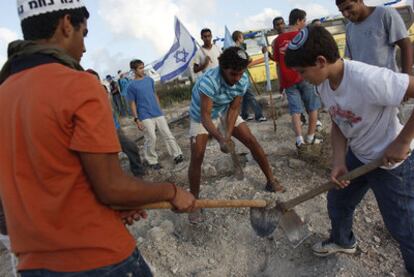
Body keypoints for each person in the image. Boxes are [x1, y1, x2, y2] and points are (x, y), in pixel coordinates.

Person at [0, 1, 195, 275]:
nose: (84, 48)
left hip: (34, 264)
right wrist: (172, 192)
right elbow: (111, 187)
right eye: (84, 34)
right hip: (98, 258)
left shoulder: (5, 91)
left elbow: (51, 179)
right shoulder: (78, 85)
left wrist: (116, 206)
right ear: (67, 24)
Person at [285, 25, 414, 275]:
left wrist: (403, 141)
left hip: (390, 164)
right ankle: (343, 241)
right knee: (338, 200)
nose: (301, 78)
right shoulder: (323, 84)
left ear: (321, 61)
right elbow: (338, 122)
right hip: (359, 156)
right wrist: (338, 161)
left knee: (403, 225)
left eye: (302, 71)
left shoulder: (367, 79)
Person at [187, 46, 285, 223]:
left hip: (224, 109)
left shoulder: (242, 79)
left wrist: (228, 135)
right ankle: (194, 202)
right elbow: (206, 116)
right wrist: (220, 138)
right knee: (197, 156)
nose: (237, 78)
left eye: (240, 73)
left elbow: (234, 108)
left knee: (251, 141)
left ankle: (271, 180)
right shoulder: (208, 82)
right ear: (223, 67)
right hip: (201, 114)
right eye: (233, 74)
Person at [273, 8, 323, 148]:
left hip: (288, 80)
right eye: (304, 20)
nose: (305, 23)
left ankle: (299, 140)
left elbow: (277, 61)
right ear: (299, 20)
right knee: (313, 106)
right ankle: (311, 137)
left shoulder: (278, 40)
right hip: (305, 76)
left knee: (295, 110)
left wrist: (281, 82)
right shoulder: (303, 35)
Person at [87, 68, 146, 177]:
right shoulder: (84, 96)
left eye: (96, 80)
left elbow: (110, 108)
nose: (94, 83)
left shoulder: (103, 89)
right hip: (99, 131)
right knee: (107, 158)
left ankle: (138, 172)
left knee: (130, 147)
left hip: (114, 127)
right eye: (90, 80)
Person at [127, 59, 184, 170]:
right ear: (134, 70)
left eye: (143, 67)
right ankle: (152, 161)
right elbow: (132, 103)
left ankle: (177, 155)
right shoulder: (131, 86)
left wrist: (159, 109)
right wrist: (136, 119)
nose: (142, 70)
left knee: (167, 134)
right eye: (140, 68)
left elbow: (154, 95)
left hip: (157, 112)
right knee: (151, 138)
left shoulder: (149, 80)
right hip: (144, 115)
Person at [336, 0, 412, 75]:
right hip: (363, 82)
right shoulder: (349, 28)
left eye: (348, 8)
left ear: (360, 1)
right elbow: (352, 60)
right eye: (342, 11)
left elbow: (406, 45)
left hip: (387, 82)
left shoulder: (384, 13)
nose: (345, 14)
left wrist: (407, 79)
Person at [231, 30, 267, 122]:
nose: (243, 39)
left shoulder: (236, 49)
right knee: (250, 96)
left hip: (242, 76)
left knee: (246, 96)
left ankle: (244, 115)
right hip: (242, 77)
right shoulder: (238, 50)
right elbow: (245, 63)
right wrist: (258, 60)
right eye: (242, 37)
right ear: (239, 38)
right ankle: (259, 115)